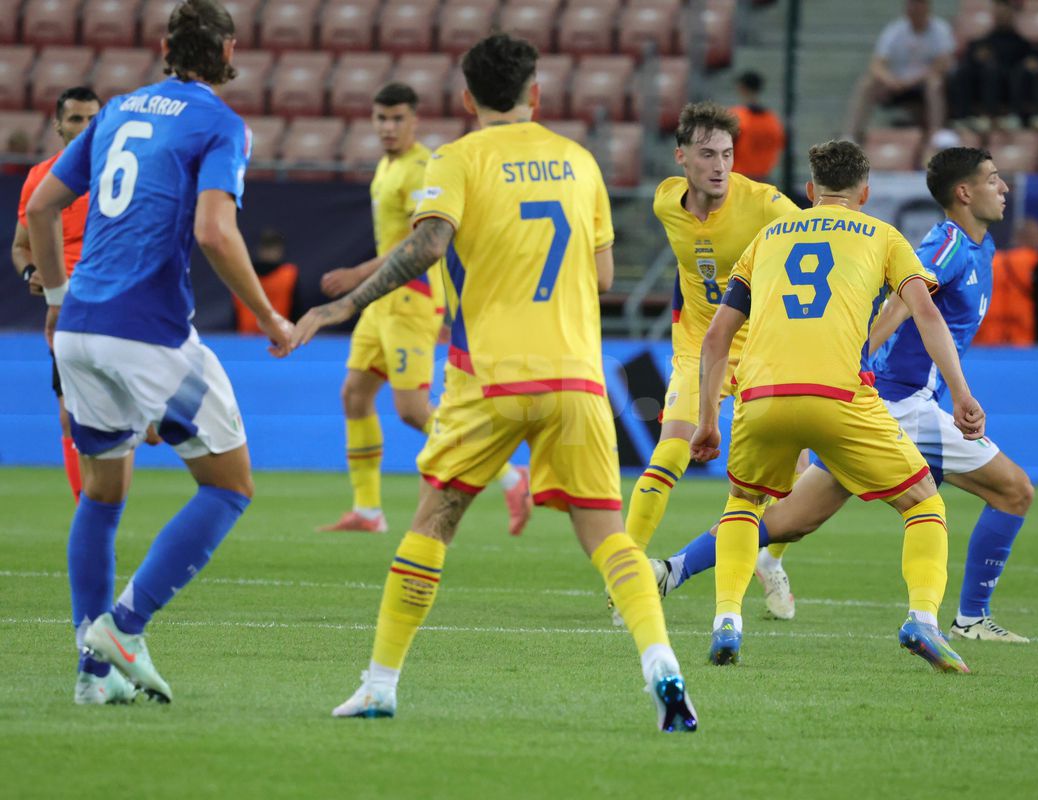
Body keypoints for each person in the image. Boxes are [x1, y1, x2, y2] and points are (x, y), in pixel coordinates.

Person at [290, 33, 697, 732]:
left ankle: (381, 685)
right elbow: (602, 278)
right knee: (606, 536)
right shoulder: (578, 160)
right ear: (535, 93)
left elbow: (427, 246)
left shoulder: (457, 159)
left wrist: (342, 303)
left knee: (434, 521)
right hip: (575, 375)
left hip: (490, 376)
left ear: (465, 99)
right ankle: (661, 664)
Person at [26, 0, 294, 706]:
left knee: (103, 494)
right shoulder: (218, 123)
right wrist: (268, 315)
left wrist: (56, 297)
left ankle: (93, 676)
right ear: (229, 50)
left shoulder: (114, 110)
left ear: (168, 47)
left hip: (81, 327)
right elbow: (214, 229)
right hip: (147, 332)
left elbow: (41, 206)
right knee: (230, 485)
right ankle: (124, 626)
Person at [664, 147, 1032, 649]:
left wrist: (708, 417)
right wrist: (958, 391)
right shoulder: (898, 237)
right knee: (969, 498)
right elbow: (920, 309)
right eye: (994, 179)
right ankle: (946, 618)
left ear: (810, 193)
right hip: (875, 399)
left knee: (769, 513)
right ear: (865, 194)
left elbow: (715, 336)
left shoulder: (768, 236)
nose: (1003, 188)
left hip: (764, 395)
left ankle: (700, 595)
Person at [315, 82, 531, 536]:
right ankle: (368, 510)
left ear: (414, 121)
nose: (388, 127)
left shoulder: (420, 169)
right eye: (381, 118)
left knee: (413, 410)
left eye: (397, 119)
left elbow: (420, 242)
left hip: (411, 297)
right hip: (382, 302)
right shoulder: (385, 167)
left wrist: (357, 275)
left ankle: (511, 476)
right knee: (354, 395)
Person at [621, 101, 801, 623]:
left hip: (764, 350)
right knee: (671, 450)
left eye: (727, 154)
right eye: (707, 154)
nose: (720, 165)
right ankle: (627, 573)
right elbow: (690, 263)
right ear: (681, 157)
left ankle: (770, 559)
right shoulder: (663, 203)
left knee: (794, 481)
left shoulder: (766, 204)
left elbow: (818, 239)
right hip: (700, 347)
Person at [11, 86, 101, 504]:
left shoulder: (115, 173)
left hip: (113, 299)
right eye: (75, 119)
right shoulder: (40, 179)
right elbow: (20, 246)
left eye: (91, 119)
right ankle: (87, 505)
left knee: (115, 414)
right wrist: (34, 272)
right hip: (65, 305)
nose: (83, 127)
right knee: (70, 413)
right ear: (58, 125)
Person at [844, 0, 954, 142]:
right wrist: (889, 79)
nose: (914, 8)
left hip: (923, 83)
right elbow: (876, 64)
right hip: (897, 83)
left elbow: (943, 63)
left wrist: (914, 79)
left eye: (918, 4)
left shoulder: (940, 29)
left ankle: (936, 134)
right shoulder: (895, 30)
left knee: (935, 82)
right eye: (911, 4)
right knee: (867, 82)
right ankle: (850, 135)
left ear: (927, 7)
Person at [974, 217, 1038, 345]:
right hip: (1027, 339)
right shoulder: (1036, 262)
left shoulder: (990, 261)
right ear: (1029, 237)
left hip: (988, 339)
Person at [949, 0, 1030, 133]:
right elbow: (973, 60)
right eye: (999, 12)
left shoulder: (1021, 43)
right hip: (981, 85)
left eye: (1005, 12)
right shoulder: (983, 41)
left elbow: (1021, 65)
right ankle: (963, 117)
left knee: (992, 70)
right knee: (963, 70)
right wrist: (978, 58)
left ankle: (989, 116)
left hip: (1007, 86)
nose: (1001, 16)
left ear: (1012, 15)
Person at [232, 228, 298, 334]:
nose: (269, 252)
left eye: (271, 248)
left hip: (276, 336)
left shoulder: (242, 273)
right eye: (268, 248)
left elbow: (296, 309)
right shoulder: (289, 274)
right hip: (253, 337)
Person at [730, 71, 785, 182]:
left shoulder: (736, 117)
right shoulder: (772, 120)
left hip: (738, 180)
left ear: (742, 88)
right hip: (763, 179)